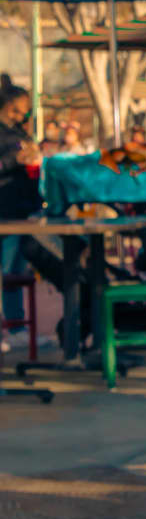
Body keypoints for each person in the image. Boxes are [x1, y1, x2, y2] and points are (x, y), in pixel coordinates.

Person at [0, 80, 43, 344]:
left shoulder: (19, 132)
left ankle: (16, 326)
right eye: (18, 110)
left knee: (16, 269)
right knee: (7, 269)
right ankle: (12, 326)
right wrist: (13, 161)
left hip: (21, 209)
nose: (21, 116)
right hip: (4, 208)